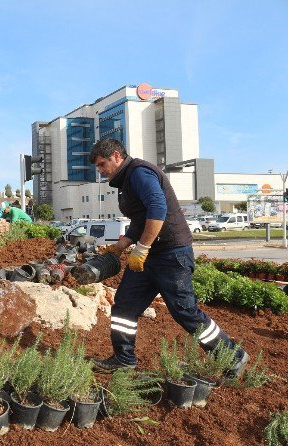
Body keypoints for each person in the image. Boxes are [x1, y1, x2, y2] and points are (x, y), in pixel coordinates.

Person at [88, 138, 249, 377]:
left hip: (172, 254)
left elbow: (157, 210)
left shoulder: (139, 173)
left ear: (116, 156)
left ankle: (233, 356)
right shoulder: (126, 181)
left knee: (184, 311)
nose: (100, 171)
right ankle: (124, 358)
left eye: (102, 164)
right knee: (124, 305)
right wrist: (122, 245)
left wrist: (141, 249)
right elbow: (141, 219)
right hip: (151, 256)